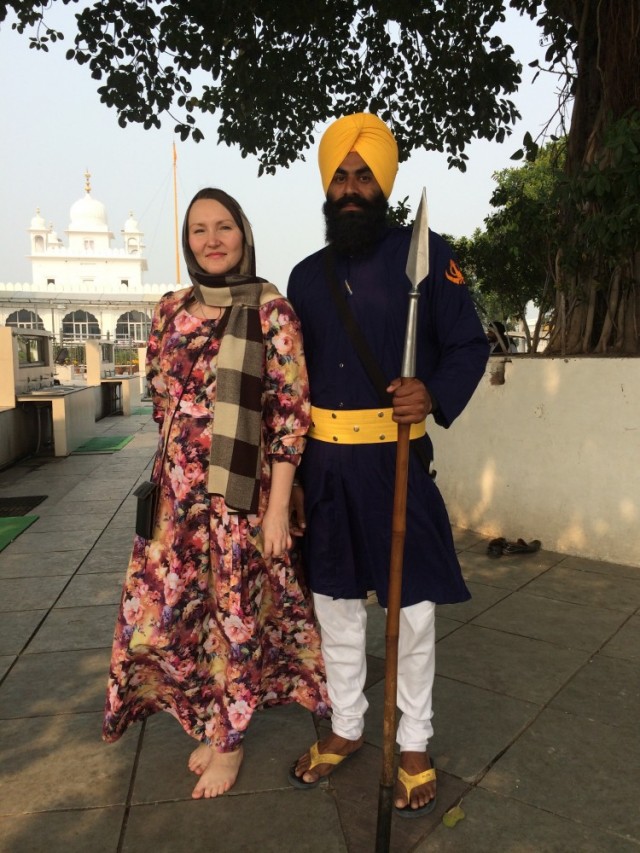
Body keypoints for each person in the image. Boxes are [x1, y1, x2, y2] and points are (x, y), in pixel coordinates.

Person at [286, 113, 489, 816]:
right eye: (340, 175)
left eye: (363, 175)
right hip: (325, 470)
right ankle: (346, 724)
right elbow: (290, 385)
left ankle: (414, 739)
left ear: (385, 182)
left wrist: (431, 390)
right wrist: (292, 485)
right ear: (326, 183)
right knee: (335, 604)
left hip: (395, 462)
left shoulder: (428, 256)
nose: (350, 187)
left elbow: (469, 345)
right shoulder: (305, 278)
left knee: (415, 607)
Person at [103, 188, 328, 799]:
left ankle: (228, 742)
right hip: (177, 504)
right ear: (187, 240)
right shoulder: (170, 310)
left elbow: (288, 416)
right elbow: (161, 400)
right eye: (199, 229)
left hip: (239, 500)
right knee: (178, 619)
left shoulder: (272, 311)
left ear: (243, 233)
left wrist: (278, 506)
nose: (211, 240)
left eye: (223, 226)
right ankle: (209, 721)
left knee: (234, 618)